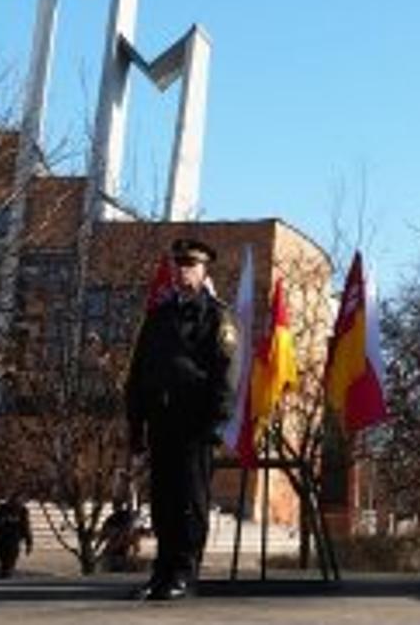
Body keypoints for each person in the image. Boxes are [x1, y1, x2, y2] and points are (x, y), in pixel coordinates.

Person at [125, 238, 236, 602]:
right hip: (161, 419)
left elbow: (226, 373)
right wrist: (135, 423)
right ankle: (162, 572)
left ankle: (185, 573)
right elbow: (140, 371)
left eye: (191, 265)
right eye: (179, 265)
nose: (183, 272)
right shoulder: (158, 316)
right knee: (164, 501)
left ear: (204, 271)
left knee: (190, 500)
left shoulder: (216, 316)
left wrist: (217, 422)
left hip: (195, 422)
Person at [0, 493, 34, 579]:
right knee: (6, 560)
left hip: (11, 539)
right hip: (6, 539)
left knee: (8, 560)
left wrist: (29, 542)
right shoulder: (3, 509)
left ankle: (5, 574)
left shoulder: (21, 510)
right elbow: (26, 527)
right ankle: (5, 574)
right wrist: (29, 542)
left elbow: (25, 526)